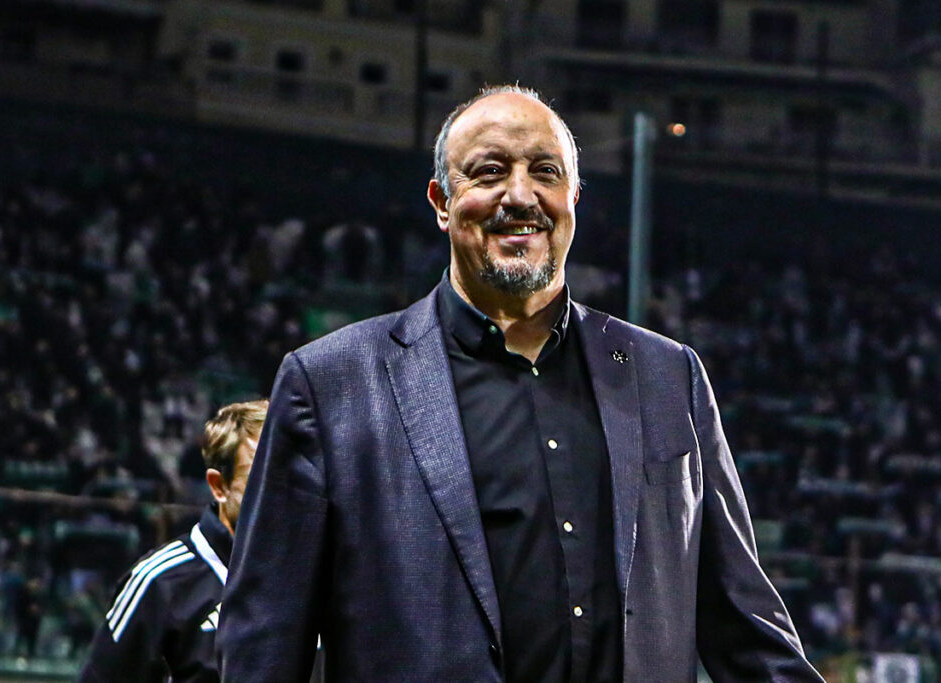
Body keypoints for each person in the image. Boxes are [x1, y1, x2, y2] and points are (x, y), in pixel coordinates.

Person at [218, 85, 823, 682]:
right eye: (489, 172)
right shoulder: (330, 385)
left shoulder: (669, 376)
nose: (520, 195)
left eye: (545, 172)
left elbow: (747, 633)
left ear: (573, 198)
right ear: (442, 201)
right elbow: (264, 646)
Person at [79, 399, 267, 682]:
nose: (282, 493)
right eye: (261, 478)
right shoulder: (158, 583)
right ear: (219, 486)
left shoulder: (318, 578)